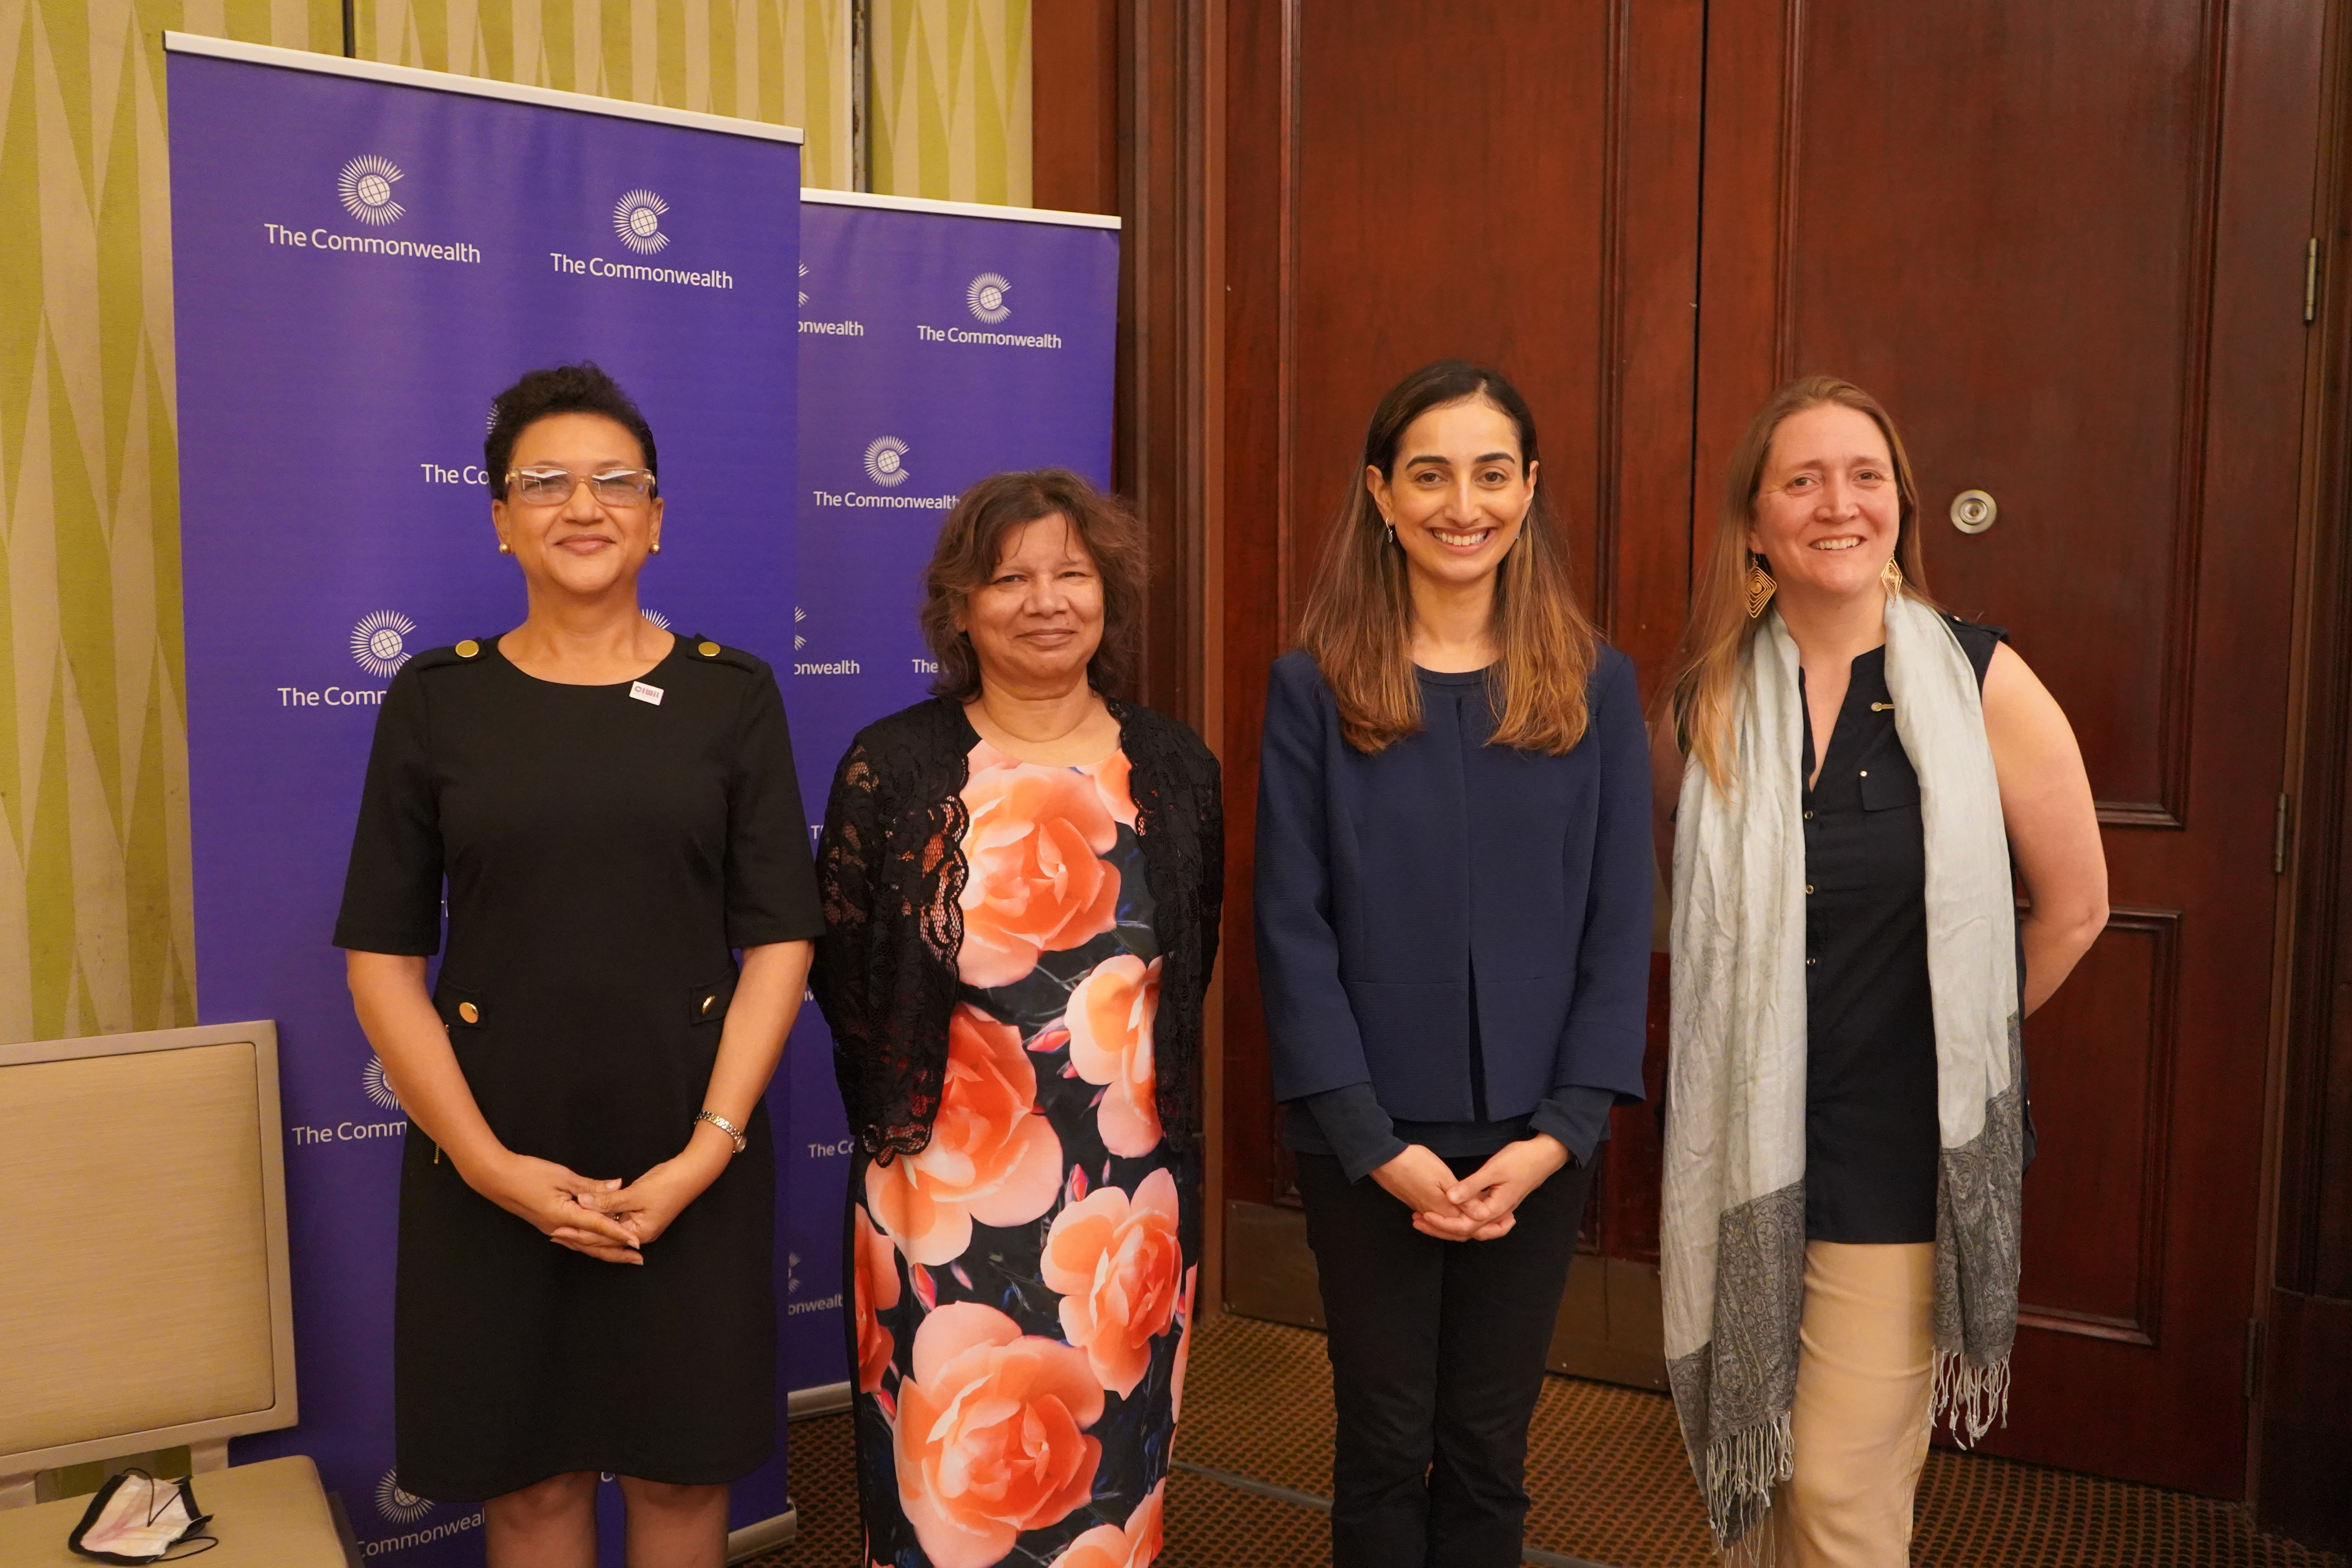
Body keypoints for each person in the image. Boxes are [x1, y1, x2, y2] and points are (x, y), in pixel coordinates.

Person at [336, 363, 822, 1568]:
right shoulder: (437, 700)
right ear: (502, 520)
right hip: (491, 1151)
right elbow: (382, 963)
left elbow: (780, 941)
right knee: (532, 1490)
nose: (583, 506)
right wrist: (486, 1164)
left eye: (615, 481)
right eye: (545, 482)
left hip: (689, 1150)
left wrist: (706, 1151)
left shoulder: (731, 695)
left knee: (680, 1482)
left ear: (657, 516)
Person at [1655, 376, 2108, 1566]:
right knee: (1768, 1491)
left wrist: (1946, 1041)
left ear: (1900, 504)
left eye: (1865, 477)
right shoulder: (1707, 702)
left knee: (1838, 1499)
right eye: (1802, 481)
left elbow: (2075, 911)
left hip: (1900, 1157)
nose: (1838, 504)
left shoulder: (1980, 680)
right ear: (1755, 523)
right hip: (1745, 1152)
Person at [1254, 361, 1654, 1568]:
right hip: (1368, 1138)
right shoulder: (1313, 687)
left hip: (1537, 1137)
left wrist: (1562, 1132)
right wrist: (1372, 1142)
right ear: (1382, 493)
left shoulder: (1596, 682)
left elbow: (1619, 919)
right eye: (1429, 475)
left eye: (1490, 474)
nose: (1462, 505)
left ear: (1529, 489)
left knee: (1488, 1449)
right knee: (1383, 1443)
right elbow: (1291, 926)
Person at [813, 469, 1222, 1568]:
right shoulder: (895, 767)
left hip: (1131, 1207)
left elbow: (1189, 968)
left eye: (1071, 575)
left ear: (1107, 595)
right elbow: (849, 983)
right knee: (950, 1502)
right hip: (939, 1196)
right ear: (960, 607)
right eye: (1008, 580)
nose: (1045, 602)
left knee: (1107, 1485)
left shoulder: (1175, 766)